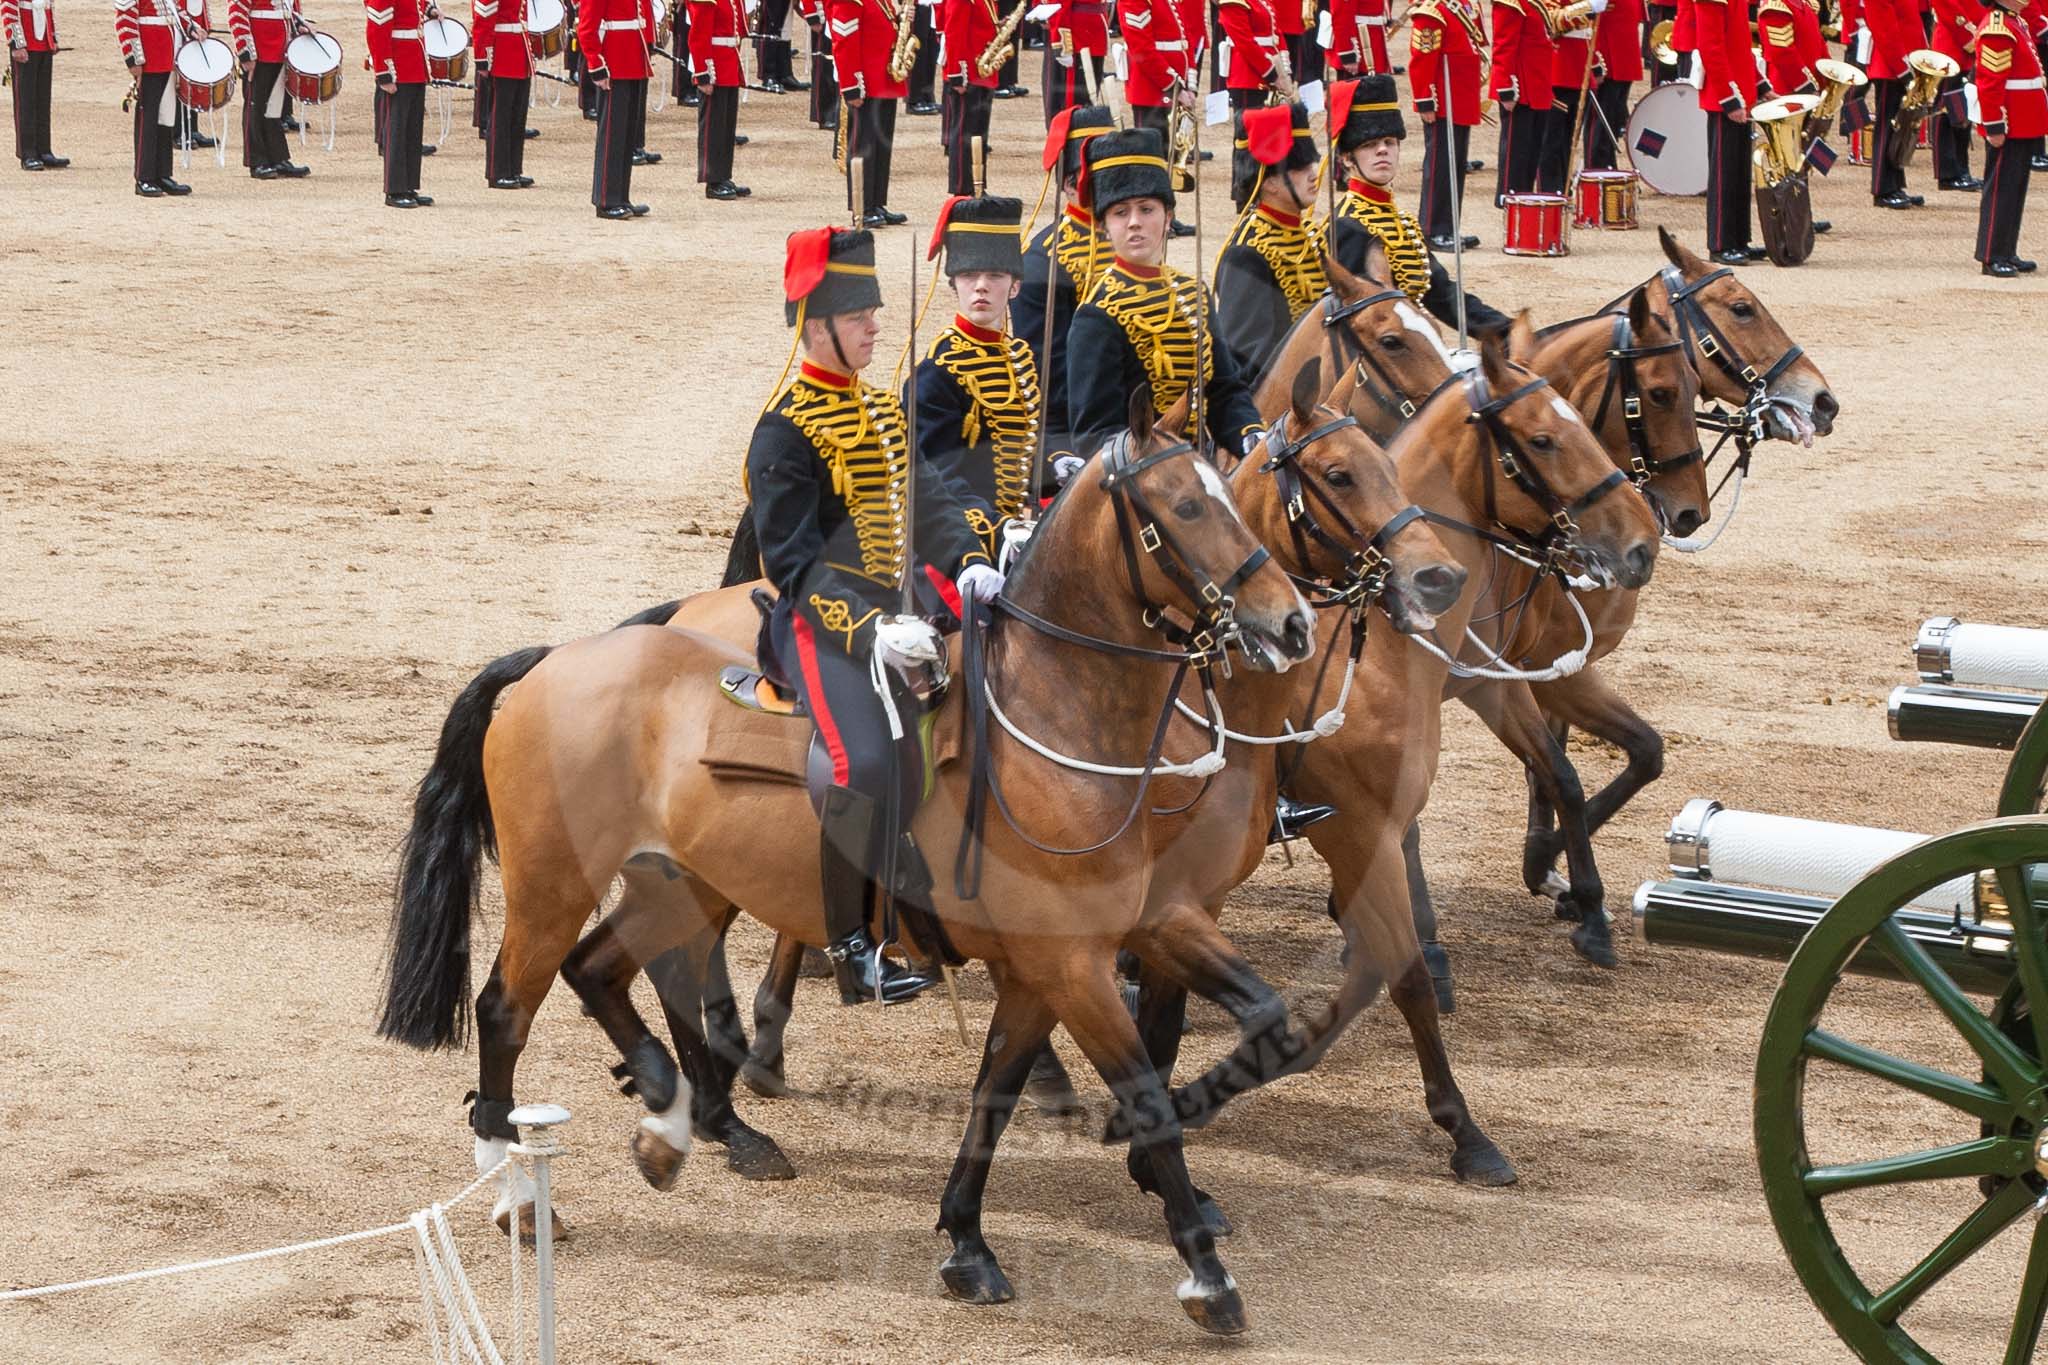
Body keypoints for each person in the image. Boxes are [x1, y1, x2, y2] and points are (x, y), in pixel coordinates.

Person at [749, 226, 1001, 1004]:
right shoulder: (783, 431)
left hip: (907, 609)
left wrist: (970, 560)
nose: (874, 327)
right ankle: (851, 943)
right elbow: (792, 565)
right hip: (819, 625)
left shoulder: (885, 412)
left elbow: (929, 501)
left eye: (874, 314)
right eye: (859, 316)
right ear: (815, 325)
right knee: (865, 759)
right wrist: (869, 628)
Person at [1065, 126, 1266, 461]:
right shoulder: (1095, 316)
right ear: (1103, 225)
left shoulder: (1193, 294)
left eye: (1147, 209)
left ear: (1168, 216)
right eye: (1120, 212)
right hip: (1143, 482)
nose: (1134, 222)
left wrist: (1249, 433)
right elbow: (1094, 434)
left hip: (1203, 466)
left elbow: (1224, 391)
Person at [1327, 74, 1510, 334]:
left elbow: (1442, 296)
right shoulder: (1347, 225)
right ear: (1347, 158)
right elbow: (1358, 323)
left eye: (1389, 143)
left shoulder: (1402, 223)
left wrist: (1507, 331)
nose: (1382, 151)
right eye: (1369, 145)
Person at [915, 195, 1042, 545]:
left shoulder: (1020, 358)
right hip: (959, 535)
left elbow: (1025, 452)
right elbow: (938, 477)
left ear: (1014, 286)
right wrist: (999, 530)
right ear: (954, 284)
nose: (981, 285)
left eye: (995, 275)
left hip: (1017, 525)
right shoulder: (938, 371)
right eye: (969, 275)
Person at [1014, 104, 1114, 470]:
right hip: (1079, 432)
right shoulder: (1044, 262)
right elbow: (1049, 383)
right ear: (1071, 184)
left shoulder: (1135, 242)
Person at [1215, 101, 1327, 378]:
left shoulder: (1311, 236)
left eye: (1311, 164)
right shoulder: (1247, 254)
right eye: (1300, 168)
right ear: (1269, 182)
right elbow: (1247, 362)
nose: (1314, 175)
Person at [1408, 0, 1487, 246]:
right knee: (1440, 166)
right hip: (1442, 99)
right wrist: (1425, 101)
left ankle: (1449, 227)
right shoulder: (1432, 12)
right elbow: (1422, 58)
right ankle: (1432, 230)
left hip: (1460, 98)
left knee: (1454, 167)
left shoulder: (1461, 6)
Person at [1973, 0, 2042, 274]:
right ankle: (1992, 255)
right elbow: (1990, 82)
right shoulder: (1998, 28)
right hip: (2010, 121)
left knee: (2014, 190)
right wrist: (1994, 125)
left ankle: (2007, 250)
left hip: (2024, 119)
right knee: (2002, 190)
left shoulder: (2015, 21)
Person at [1119, 0, 1199, 234]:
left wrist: (1189, 85)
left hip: (1172, 88)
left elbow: (1185, 42)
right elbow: (1142, 48)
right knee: (1151, 162)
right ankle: (1150, 219)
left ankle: (1167, 215)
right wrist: (1173, 85)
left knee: (1169, 157)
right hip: (1151, 90)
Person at [831, 0, 908, 225]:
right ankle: (861, 207)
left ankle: (876, 202)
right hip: (864, 81)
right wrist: (851, 85)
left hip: (883, 78)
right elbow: (844, 41)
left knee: (881, 146)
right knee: (863, 146)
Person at [1693, 0, 1757, 260]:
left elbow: (1741, 45)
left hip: (1741, 90)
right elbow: (1711, 48)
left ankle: (1739, 239)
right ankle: (1720, 243)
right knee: (1725, 174)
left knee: (1740, 174)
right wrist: (1728, 98)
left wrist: (1760, 86)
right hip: (1726, 95)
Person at [579, 0, 654, 218]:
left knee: (626, 136)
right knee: (612, 135)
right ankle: (606, 200)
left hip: (633, 58)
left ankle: (621, 197)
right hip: (614, 61)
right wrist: (596, 63)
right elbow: (587, 26)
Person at [116, 0, 190, 195]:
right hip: (150, 56)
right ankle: (144, 176)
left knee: (166, 118)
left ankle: (163, 174)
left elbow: (176, 11)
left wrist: (192, 28)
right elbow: (125, 21)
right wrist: (133, 60)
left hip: (168, 57)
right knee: (147, 120)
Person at [229, 0, 309, 178]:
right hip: (260, 49)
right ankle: (257, 160)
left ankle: (278, 157)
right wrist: (245, 52)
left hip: (280, 47)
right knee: (255, 107)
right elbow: (237, 12)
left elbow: (286, 9)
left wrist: (298, 25)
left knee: (274, 109)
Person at [367, 0, 436, 206]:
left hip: (414, 62)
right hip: (398, 65)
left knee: (412, 130)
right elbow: (376, 30)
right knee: (396, 130)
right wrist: (383, 72)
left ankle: (408, 185)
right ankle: (394, 190)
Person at [1490, 0, 1555, 201]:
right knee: (1516, 152)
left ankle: (1525, 199)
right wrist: (1505, 88)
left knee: (1531, 151)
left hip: (1537, 83)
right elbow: (1503, 45)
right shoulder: (1510, 3)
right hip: (1520, 85)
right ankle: (1511, 197)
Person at [1864, 0, 1925, 205]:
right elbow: (1883, 27)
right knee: (1887, 126)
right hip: (1890, 64)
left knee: (1902, 128)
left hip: (1907, 60)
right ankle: (1882, 188)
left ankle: (1896, 184)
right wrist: (1901, 67)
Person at [691, 0, 748, 198]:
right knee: (713, 126)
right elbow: (698, 36)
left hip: (728, 60)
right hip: (714, 63)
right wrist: (703, 72)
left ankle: (723, 175)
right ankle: (712, 179)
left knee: (725, 125)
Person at [476, 0, 536, 187]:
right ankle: (497, 172)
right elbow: (483, 16)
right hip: (502, 52)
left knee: (517, 117)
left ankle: (513, 169)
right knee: (500, 117)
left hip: (519, 50)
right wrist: (482, 57)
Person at [938, 0, 994, 195]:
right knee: (964, 134)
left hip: (982, 70)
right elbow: (954, 31)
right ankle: (962, 187)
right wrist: (957, 74)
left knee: (979, 134)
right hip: (967, 71)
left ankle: (977, 185)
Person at [1930, 0, 1986, 188]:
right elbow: (1947, 6)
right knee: (1946, 112)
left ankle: (1961, 170)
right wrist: (1968, 35)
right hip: (1952, 46)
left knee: (1962, 114)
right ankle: (1947, 173)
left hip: (1966, 48)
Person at [3, 0, 63, 170]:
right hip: (26, 42)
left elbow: (48, 7)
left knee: (43, 100)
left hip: (44, 41)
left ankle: (44, 150)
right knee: (26, 101)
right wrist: (16, 43)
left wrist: (52, 37)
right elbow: (9, 9)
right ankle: (27, 153)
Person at [1581, 0, 1639, 167]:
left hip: (1623, 48)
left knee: (1612, 119)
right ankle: (1597, 170)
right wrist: (1594, 59)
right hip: (1607, 50)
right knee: (1599, 123)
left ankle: (1608, 167)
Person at [1043, 0, 1108, 121]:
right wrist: (1062, 43)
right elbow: (1059, 5)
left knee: (1089, 97)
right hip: (1077, 38)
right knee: (1073, 103)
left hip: (1093, 34)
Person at [1218, 0, 1286, 111]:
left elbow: (1274, 33)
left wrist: (1283, 70)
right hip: (1247, 76)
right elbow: (1244, 42)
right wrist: (1271, 72)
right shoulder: (1232, 2)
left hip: (1270, 67)